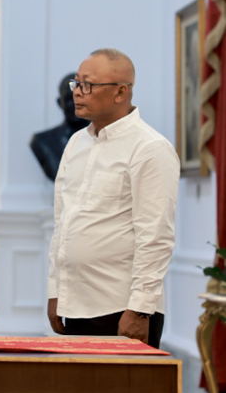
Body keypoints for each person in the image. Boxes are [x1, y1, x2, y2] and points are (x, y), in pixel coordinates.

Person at [46, 48, 179, 348]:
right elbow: (62, 224)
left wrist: (140, 309)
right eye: (76, 84)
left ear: (121, 92)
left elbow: (155, 236)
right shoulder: (76, 143)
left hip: (122, 308)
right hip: (76, 303)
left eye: (87, 85)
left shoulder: (150, 148)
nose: (77, 93)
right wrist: (56, 291)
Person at [29, 73, 90, 181]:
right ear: (59, 103)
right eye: (69, 99)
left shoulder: (107, 138)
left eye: (80, 97)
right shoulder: (42, 142)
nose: (75, 103)